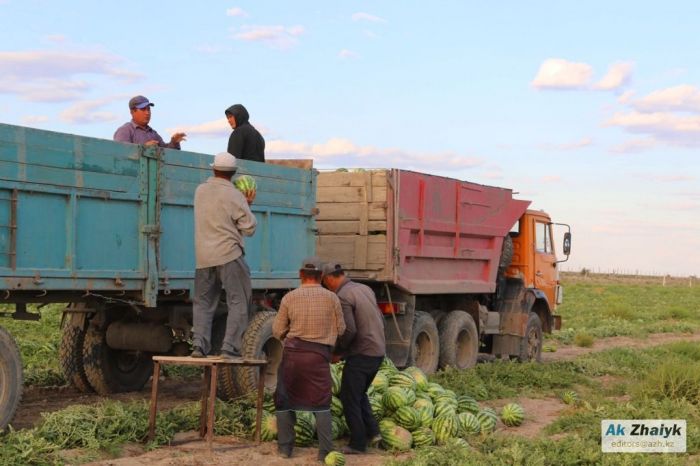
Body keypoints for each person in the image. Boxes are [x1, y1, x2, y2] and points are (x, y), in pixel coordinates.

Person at [272, 257, 346, 461]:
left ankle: (286, 448)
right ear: (321, 276)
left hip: (293, 357)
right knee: (321, 404)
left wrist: (288, 335)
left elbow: (277, 329)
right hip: (319, 357)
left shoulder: (289, 298)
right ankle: (324, 452)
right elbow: (342, 328)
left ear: (300, 275)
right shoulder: (332, 298)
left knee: (284, 400)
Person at [190, 152, 257, 361]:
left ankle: (199, 346)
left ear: (213, 169)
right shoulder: (235, 195)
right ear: (234, 172)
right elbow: (249, 228)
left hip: (203, 257)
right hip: (229, 255)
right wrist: (247, 204)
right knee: (238, 301)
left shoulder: (200, 191)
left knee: (203, 303)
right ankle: (229, 348)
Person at [321, 261, 386, 455]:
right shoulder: (364, 288)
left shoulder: (342, 296)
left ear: (330, 278)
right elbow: (380, 319)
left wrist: (338, 352)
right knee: (359, 394)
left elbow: (349, 330)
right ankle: (373, 433)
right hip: (377, 351)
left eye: (325, 282)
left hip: (362, 353)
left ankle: (358, 443)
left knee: (349, 397)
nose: (325, 286)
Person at [114, 95, 187, 149]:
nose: (147, 113)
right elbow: (121, 155)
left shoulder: (153, 133)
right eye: (143, 109)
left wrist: (174, 143)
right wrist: (144, 148)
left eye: (148, 109)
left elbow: (166, 154)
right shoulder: (125, 130)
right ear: (132, 112)